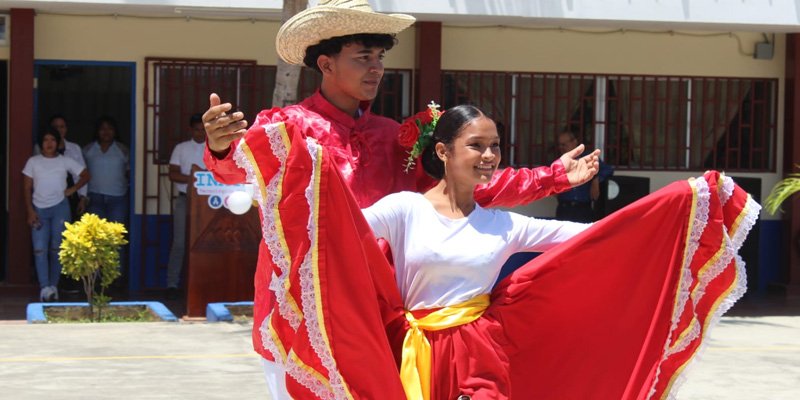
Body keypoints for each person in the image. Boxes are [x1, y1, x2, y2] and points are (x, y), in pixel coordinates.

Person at [202, 0, 599, 397]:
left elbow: (466, 184)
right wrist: (220, 147)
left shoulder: (392, 136)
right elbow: (237, 168)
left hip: (376, 313)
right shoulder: (288, 128)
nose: (376, 68)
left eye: (379, 57)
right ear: (326, 64)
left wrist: (553, 177)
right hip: (305, 307)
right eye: (363, 57)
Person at [251, 103, 759, 399]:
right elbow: (334, 236)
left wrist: (674, 209)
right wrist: (297, 167)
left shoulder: (506, 225)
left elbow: (596, 236)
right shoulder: (403, 209)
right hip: (412, 349)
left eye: (495, 146)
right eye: (477, 145)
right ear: (444, 152)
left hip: (478, 353)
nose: (490, 156)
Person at [23, 128, 90, 302]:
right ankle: (44, 287)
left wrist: (73, 189)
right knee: (39, 249)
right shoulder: (33, 162)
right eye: (45, 139)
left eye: (53, 139)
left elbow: (85, 175)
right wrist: (30, 211)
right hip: (38, 209)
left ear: (58, 142)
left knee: (57, 249)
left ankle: (53, 286)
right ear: (40, 143)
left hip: (60, 208)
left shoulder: (65, 161)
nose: (49, 143)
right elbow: (26, 188)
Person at [83, 116, 130, 291]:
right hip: (94, 198)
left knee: (116, 240)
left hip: (118, 198)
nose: (106, 132)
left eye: (109, 128)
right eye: (102, 128)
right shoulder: (88, 149)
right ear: (97, 131)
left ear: (115, 131)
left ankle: (116, 278)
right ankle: (96, 278)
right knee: (96, 240)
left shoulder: (122, 150)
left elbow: (130, 173)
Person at [166, 113, 206, 299]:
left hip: (208, 204)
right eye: (197, 129)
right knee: (180, 243)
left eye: (203, 130)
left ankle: (203, 284)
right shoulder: (181, 148)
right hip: (185, 199)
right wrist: (195, 178)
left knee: (204, 244)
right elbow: (173, 174)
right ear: (191, 130)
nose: (200, 133)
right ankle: (172, 284)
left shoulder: (213, 148)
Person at [35, 115, 89, 217]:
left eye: (62, 127)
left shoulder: (74, 148)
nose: (59, 130)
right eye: (55, 127)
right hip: (49, 197)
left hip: (72, 195)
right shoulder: (40, 148)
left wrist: (82, 198)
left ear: (66, 129)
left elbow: (82, 175)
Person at [555, 130, 614, 222]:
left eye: (564, 144)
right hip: (564, 208)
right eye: (560, 145)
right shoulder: (558, 161)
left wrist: (595, 179)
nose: (562, 148)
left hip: (583, 208)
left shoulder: (587, 158)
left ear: (574, 142)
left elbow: (608, 170)